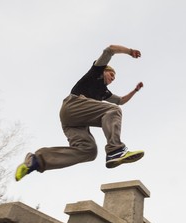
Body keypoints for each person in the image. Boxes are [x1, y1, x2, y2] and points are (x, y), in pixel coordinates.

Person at [15, 45, 145, 181]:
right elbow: (110, 49)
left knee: (89, 151)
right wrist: (130, 52)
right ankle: (115, 150)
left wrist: (134, 91)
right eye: (111, 75)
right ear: (104, 71)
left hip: (73, 123)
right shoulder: (96, 72)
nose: (112, 79)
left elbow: (120, 101)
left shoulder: (104, 92)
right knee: (113, 111)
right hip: (73, 105)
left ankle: (36, 161)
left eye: (114, 78)